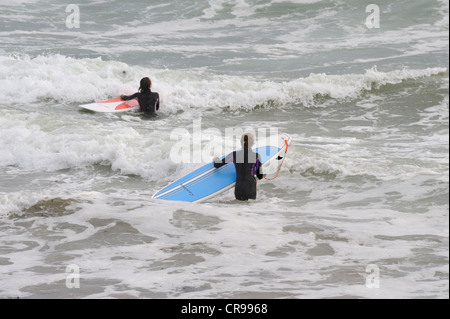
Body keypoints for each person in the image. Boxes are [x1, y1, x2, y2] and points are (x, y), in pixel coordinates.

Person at [214, 133, 264, 201]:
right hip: (250, 189)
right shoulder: (256, 156)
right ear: (252, 144)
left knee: (238, 208)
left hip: (239, 189)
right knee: (248, 210)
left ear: (241, 143)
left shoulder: (234, 155)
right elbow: (260, 176)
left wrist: (216, 159)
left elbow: (217, 165)